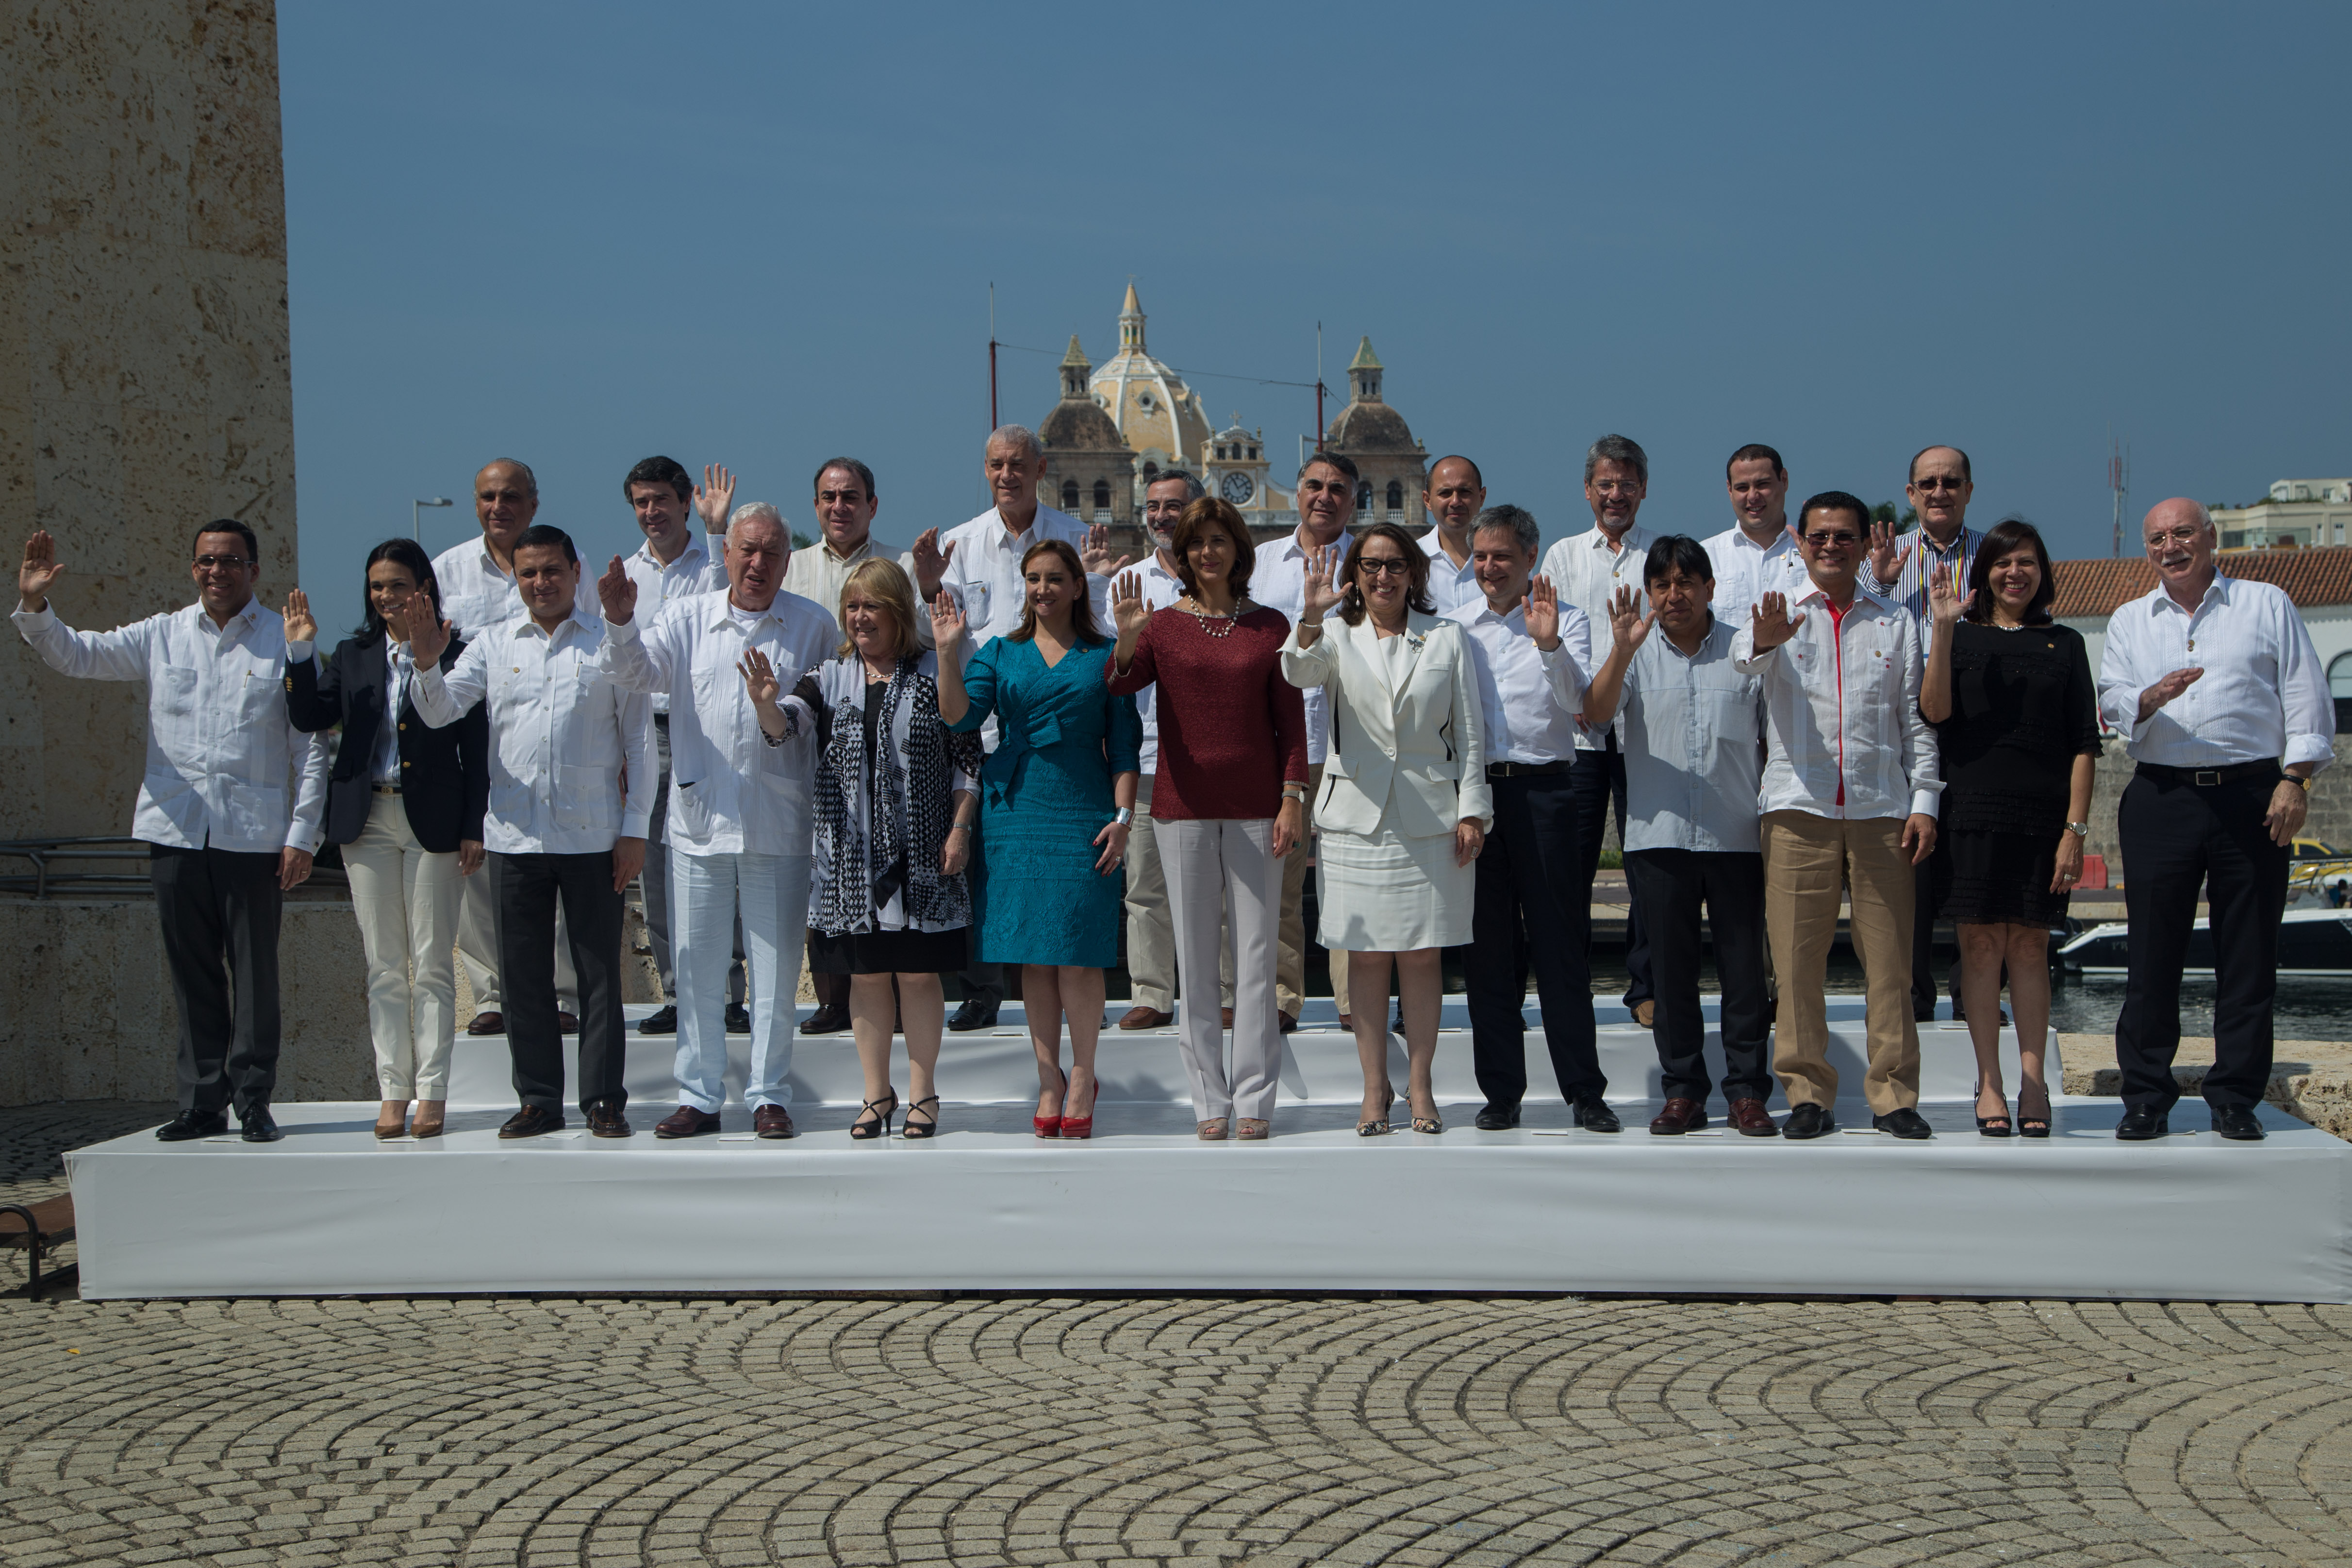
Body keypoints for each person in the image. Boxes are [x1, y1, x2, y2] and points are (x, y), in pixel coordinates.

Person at [15, 523, 329, 1144]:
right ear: (192, 570)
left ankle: (254, 1100)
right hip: (176, 832)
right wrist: (35, 604)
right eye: (207, 562)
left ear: (254, 571)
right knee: (192, 976)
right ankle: (202, 1102)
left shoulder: (285, 641)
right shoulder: (162, 634)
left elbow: (312, 747)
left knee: (255, 975)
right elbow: (78, 655)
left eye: (231, 561)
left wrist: (303, 834)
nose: (218, 572)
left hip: (253, 836)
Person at [596, 507, 837, 1140]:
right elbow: (634, 674)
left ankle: (767, 1094)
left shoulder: (812, 625)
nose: (759, 564)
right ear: (726, 553)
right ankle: (699, 1094)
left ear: (788, 560)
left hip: (778, 820)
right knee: (697, 961)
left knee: (776, 967)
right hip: (699, 819)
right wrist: (620, 619)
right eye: (748, 551)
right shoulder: (684, 617)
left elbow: (821, 711)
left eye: (773, 554)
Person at [2098, 498, 2332, 1142]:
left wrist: (2295, 779)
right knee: (2151, 952)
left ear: (2209, 537)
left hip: (2253, 793)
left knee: (2249, 952)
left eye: (2180, 533)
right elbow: (2113, 702)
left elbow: (2305, 695)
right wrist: (2147, 697)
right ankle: (2145, 1095)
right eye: (2156, 539)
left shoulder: (2266, 603)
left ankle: (2234, 1097)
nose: (2169, 546)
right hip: (2160, 797)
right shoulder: (2127, 619)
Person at [409, 524, 651, 1140]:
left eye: (551, 571)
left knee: (598, 977)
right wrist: (425, 663)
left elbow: (640, 742)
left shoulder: (609, 642)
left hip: (593, 837)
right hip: (515, 839)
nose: (540, 584)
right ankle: (540, 1099)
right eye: (527, 573)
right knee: (523, 980)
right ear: (514, 579)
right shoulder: (492, 644)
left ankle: (603, 1100)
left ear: (575, 571)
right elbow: (439, 711)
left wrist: (634, 831)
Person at [746, 558, 982, 1140]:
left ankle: (924, 1095)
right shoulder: (827, 674)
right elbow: (786, 728)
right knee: (869, 977)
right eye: (852, 606)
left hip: (923, 852)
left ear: (897, 611)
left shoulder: (934, 667)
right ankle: (877, 1094)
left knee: (919, 976)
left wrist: (960, 829)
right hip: (850, 862)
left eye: (871, 605)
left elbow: (967, 755)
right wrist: (764, 704)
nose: (859, 617)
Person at [1734, 492, 1942, 1140]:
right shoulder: (1776, 614)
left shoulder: (1895, 621)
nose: (1830, 546)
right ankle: (1806, 1091)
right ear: (1799, 542)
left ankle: (1893, 1094)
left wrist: (1925, 799)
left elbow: (1915, 721)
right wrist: (1764, 643)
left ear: (1861, 544)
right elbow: (1742, 667)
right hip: (1798, 806)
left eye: (1843, 536)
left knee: (1890, 963)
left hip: (1882, 808)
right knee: (1796, 962)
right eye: (1818, 536)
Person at [909, 424, 1126, 1032]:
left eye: (1018, 465)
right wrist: (929, 586)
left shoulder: (1076, 539)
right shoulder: (957, 544)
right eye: (996, 465)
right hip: (979, 725)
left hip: (1063, 740)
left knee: (1064, 888)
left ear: (1040, 468)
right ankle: (982, 991)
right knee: (989, 878)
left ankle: (1080, 1014)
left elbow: (1103, 641)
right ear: (985, 471)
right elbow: (933, 639)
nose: (1007, 475)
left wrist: (1101, 577)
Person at [1108, 498, 1309, 1139]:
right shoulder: (1162, 625)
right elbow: (1118, 684)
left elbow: (1292, 723)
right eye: (1196, 542)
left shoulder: (1270, 625)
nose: (1207, 552)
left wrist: (1292, 797)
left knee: (1253, 958)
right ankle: (1208, 1101)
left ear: (1237, 548)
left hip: (1257, 808)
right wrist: (1128, 635)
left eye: (1219, 540)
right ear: (1184, 553)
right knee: (1193, 959)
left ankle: (1253, 1096)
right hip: (1179, 807)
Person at [1282, 522, 1491, 1137]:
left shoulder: (1447, 637)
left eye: (1394, 565)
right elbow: (1297, 674)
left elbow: (1471, 732)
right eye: (1370, 565)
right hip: (1355, 818)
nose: (1382, 576)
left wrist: (1474, 809)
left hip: (1431, 814)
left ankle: (1421, 1087)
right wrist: (1310, 616)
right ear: (1354, 574)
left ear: (1413, 573)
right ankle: (1374, 1089)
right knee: (1367, 958)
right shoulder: (1335, 637)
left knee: (1424, 956)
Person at [282, 540, 488, 1141]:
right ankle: (392, 1090)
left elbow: (475, 751)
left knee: (431, 963)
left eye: (398, 585)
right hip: (365, 820)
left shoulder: (459, 652)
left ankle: (433, 1092)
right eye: (377, 587)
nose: (387, 597)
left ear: (423, 586)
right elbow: (309, 717)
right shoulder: (352, 654)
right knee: (383, 967)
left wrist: (474, 825)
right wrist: (300, 650)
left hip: (435, 824)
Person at [935, 538, 1141, 1139]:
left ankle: (1084, 1074)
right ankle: (1048, 1077)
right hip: (1015, 812)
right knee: (1035, 955)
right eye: (1032, 578)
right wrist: (949, 654)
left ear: (1079, 586)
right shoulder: (999, 652)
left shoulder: (1106, 655)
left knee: (1077, 952)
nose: (1042, 588)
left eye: (1055, 578)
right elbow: (958, 719)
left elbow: (1125, 749)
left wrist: (1124, 821)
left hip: (1083, 810)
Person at [1582, 538, 1777, 1136]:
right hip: (1657, 835)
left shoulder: (1747, 650)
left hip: (1735, 833)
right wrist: (1619, 651)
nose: (1674, 595)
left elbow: (1775, 734)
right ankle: (1684, 1091)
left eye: (1686, 582)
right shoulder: (1634, 651)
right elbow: (1594, 713)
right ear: (1649, 593)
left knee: (1744, 974)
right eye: (1662, 584)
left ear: (1711, 588)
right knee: (1670, 975)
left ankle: (1746, 1092)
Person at [1920, 517, 2098, 1139]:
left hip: (2042, 819)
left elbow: (2083, 743)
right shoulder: (1957, 635)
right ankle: (1988, 1082)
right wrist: (1942, 629)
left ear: (2042, 571)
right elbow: (1934, 712)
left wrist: (2074, 830)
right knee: (1979, 946)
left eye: (2026, 562)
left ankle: (2033, 1083)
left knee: (2029, 946)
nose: (2014, 573)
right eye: (2002, 563)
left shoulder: (2066, 644)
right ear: (1984, 571)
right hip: (1969, 809)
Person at [1448, 506, 1611, 1132]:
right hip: (1477, 799)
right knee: (1487, 951)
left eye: (1503, 558)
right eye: (1481, 558)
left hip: (1546, 793)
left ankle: (1583, 1092)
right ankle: (1501, 1093)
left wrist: (1548, 646)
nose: (1490, 569)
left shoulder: (1567, 621)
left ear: (1529, 561)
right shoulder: (1454, 628)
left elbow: (1583, 709)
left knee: (1560, 947)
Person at [432, 458, 593, 1037]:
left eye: (511, 496)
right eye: (487, 497)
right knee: (483, 872)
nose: (498, 507)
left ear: (534, 503)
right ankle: (491, 995)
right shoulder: (446, 570)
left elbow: (597, 647)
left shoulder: (566, 563)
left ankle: (562, 995)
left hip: (550, 739)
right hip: (467, 733)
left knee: (552, 863)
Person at [617, 458, 742, 1041]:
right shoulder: (625, 575)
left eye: (661, 500)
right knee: (659, 868)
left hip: (707, 729)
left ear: (684, 503)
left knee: (723, 854)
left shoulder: (711, 561)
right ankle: (675, 991)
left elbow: (733, 610)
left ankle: (730, 993)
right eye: (641, 502)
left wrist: (718, 534)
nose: (651, 512)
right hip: (647, 733)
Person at [1538, 434, 1657, 1026]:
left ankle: (1645, 991)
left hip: (1643, 735)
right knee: (1570, 868)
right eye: (1605, 485)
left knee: (1646, 864)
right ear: (1588, 490)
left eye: (1626, 485)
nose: (1615, 495)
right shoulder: (1562, 555)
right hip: (1578, 734)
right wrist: (1580, 699)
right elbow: (1551, 637)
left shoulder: (1658, 555)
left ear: (1643, 490)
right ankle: (1569, 989)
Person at [1866, 445, 1987, 1023]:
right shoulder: (1884, 558)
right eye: (1927, 483)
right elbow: (1855, 620)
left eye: (1950, 481)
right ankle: (1912, 998)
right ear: (1910, 494)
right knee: (1905, 869)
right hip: (1900, 725)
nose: (1939, 492)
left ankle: (1974, 996)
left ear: (1968, 490)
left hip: (1972, 725)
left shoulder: (1994, 556)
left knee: (1969, 868)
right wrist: (1884, 584)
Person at [780, 456, 893, 1036]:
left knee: (883, 865)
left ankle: (885, 999)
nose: (839, 507)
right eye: (828, 497)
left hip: (883, 735)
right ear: (816, 506)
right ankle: (831, 998)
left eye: (851, 497)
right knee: (821, 872)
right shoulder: (789, 568)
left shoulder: (893, 565)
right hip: (806, 736)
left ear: (872, 505)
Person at [1251, 450, 1361, 1028]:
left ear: (1353, 501)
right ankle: (1281, 998)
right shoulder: (1263, 562)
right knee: (1281, 880)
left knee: (1349, 880)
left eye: (1337, 488)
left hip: (1351, 744)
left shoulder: (1372, 563)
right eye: (1314, 486)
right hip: (1280, 745)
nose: (1324, 496)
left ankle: (1353, 1002)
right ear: (1296, 493)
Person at [1115, 468, 1211, 1032]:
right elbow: (1113, 674)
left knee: (1219, 887)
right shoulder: (1128, 582)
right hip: (1151, 756)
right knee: (1145, 884)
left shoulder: (1222, 577)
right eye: (1152, 507)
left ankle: (1224, 992)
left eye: (1173, 506)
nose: (1160, 517)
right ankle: (1153, 991)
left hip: (1216, 758)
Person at [1702, 443, 1804, 617]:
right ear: (1730, 490)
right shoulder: (1705, 557)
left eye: (1762, 484)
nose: (1753, 496)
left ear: (1784, 480)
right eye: (1742, 488)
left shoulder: (1816, 553)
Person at [1417, 456, 1487, 614]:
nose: (1455, 502)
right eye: (1445, 493)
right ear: (1427, 500)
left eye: (1465, 492)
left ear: (1482, 497)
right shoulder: (1410, 560)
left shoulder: (1505, 561)